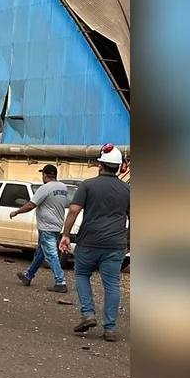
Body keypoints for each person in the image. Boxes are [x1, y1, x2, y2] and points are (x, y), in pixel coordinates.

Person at [60, 144, 130, 342]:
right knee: (112, 284)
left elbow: (74, 210)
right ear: (120, 167)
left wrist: (65, 235)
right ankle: (110, 329)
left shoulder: (87, 185)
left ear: (100, 165)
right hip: (115, 245)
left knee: (82, 274)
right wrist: (128, 241)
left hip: (88, 242)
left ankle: (88, 313)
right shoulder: (127, 190)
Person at [10, 164, 70, 293]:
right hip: (57, 224)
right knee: (40, 253)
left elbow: (31, 205)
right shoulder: (63, 187)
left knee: (51, 255)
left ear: (45, 175)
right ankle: (28, 275)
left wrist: (17, 212)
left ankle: (60, 282)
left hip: (46, 226)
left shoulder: (45, 188)